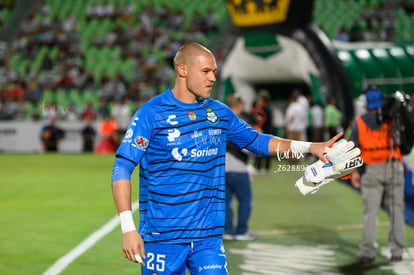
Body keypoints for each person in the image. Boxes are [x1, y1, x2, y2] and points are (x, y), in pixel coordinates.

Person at [111, 42, 342, 274]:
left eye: (214, 72)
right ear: (182, 70)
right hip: (163, 238)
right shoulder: (152, 113)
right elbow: (122, 166)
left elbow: (258, 142)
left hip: (208, 238)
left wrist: (311, 147)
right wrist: (128, 228)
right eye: (205, 71)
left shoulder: (218, 112)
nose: (212, 78)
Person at [350, 87, 406, 263]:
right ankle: (397, 251)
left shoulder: (359, 122)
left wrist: (354, 172)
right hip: (393, 167)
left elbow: (352, 150)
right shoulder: (393, 119)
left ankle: (367, 252)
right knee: (396, 211)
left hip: (371, 170)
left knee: (370, 213)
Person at [223, 94, 258, 241]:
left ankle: (228, 230)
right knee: (245, 201)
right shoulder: (240, 123)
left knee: (226, 201)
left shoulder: (219, 121)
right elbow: (250, 148)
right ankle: (242, 231)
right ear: (240, 105)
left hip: (221, 169)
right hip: (238, 169)